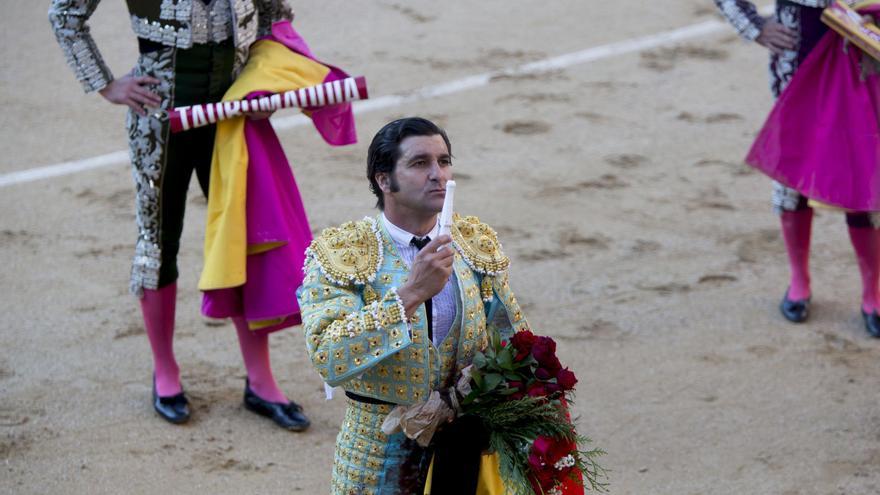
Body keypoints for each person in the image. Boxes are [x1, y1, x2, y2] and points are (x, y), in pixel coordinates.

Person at [48, 0, 310, 429]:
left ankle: (261, 380)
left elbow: (275, 14)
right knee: (158, 242)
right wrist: (105, 84)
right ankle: (166, 371)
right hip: (158, 116)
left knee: (244, 239)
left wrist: (265, 80)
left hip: (233, 114)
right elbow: (65, 13)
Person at [297, 117, 531, 494]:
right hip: (378, 453)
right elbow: (328, 354)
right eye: (420, 163)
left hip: (467, 444)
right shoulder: (342, 252)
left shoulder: (474, 244)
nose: (438, 174)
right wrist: (410, 294)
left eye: (444, 161)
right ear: (384, 180)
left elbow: (515, 343)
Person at [714, 0, 880, 336]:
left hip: (869, 40)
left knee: (863, 162)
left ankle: (872, 293)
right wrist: (752, 25)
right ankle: (799, 280)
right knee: (795, 164)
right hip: (800, 43)